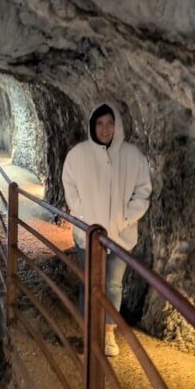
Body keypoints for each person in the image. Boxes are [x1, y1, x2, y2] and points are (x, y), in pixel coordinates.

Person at [62, 103, 151, 356]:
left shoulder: (133, 156)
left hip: (120, 237)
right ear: (93, 125)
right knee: (87, 282)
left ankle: (108, 333)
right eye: (100, 124)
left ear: (117, 126)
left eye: (109, 124)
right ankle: (88, 330)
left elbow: (143, 192)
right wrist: (81, 212)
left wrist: (125, 219)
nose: (105, 129)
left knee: (113, 285)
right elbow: (69, 183)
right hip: (87, 234)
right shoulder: (78, 155)